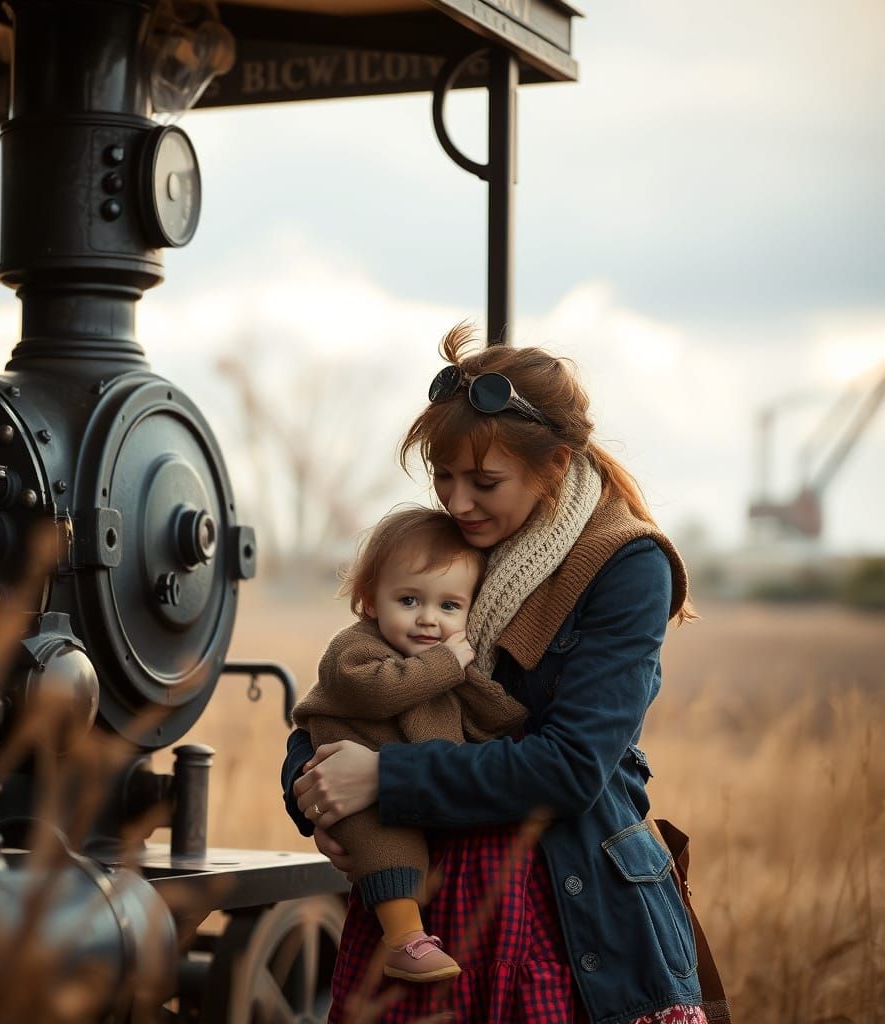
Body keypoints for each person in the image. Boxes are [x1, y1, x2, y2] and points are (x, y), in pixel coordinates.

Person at [282, 324, 724, 1024]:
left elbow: (573, 766)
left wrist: (383, 780)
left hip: (572, 913)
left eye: (483, 482)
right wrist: (312, 788)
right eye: (444, 477)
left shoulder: (626, 565)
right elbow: (353, 685)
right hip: (427, 905)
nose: (457, 503)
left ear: (552, 463)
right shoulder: (451, 540)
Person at [291, 506, 527, 983]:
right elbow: (376, 690)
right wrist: (445, 665)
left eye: (448, 606)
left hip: (406, 786)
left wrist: (512, 718)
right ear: (370, 601)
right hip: (355, 789)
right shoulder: (356, 649)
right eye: (408, 601)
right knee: (387, 846)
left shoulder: (437, 666)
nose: (428, 620)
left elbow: (479, 715)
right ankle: (403, 939)